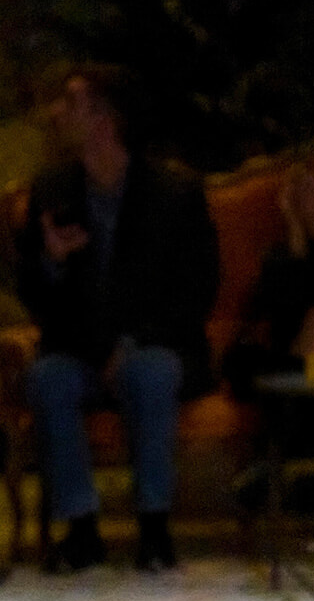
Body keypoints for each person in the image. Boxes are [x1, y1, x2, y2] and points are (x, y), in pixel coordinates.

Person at [18, 65, 219, 572]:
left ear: (106, 119)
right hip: (80, 351)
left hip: (157, 346)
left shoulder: (174, 192)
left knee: (147, 371)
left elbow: (196, 291)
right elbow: (33, 295)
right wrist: (53, 262)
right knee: (47, 378)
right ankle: (81, 529)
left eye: (72, 104)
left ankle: (155, 528)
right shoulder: (52, 190)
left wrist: (131, 343)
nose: (57, 115)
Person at [228, 128, 314, 559]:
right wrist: (297, 231)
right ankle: (286, 465)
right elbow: (278, 302)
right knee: (312, 320)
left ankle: (277, 460)